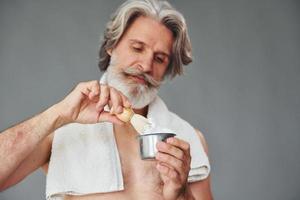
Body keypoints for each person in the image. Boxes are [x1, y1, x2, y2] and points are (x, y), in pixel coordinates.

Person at [0, 0, 213, 199]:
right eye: (137, 48)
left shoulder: (187, 139)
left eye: (159, 58)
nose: (146, 65)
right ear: (111, 45)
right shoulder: (63, 131)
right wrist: (58, 114)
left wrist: (181, 193)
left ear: (167, 68)